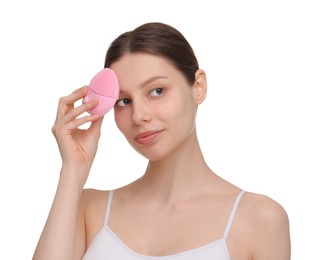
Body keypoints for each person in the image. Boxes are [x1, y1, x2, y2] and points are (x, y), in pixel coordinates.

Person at [33, 22, 291, 260]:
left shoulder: (259, 220)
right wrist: (72, 171)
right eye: (124, 101)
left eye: (157, 91)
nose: (139, 116)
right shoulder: (88, 210)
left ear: (198, 87)